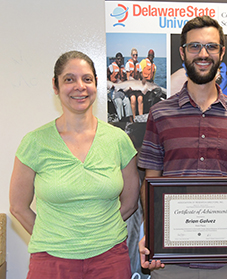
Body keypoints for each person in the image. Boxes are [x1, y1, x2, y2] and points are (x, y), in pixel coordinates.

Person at [137, 16, 227, 279]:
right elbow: (151, 183)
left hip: (226, 261)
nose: (203, 54)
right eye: (194, 47)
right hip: (170, 261)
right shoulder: (159, 114)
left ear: (222, 52)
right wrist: (153, 238)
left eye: (211, 47)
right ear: (182, 52)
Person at [9, 50, 141, 279]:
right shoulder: (35, 142)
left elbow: (130, 203)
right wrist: (54, 237)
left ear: (96, 84)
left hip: (110, 260)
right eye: (69, 79)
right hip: (51, 262)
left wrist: (98, 233)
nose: (80, 86)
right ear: (55, 85)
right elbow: (18, 207)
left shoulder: (118, 140)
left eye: (87, 79)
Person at [107, 52, 133, 121]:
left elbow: (125, 79)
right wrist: (110, 84)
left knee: (127, 101)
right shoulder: (111, 67)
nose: (119, 60)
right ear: (115, 59)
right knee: (119, 101)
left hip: (121, 89)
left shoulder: (123, 68)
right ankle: (120, 119)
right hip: (113, 90)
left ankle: (129, 119)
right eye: (118, 59)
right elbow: (106, 77)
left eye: (120, 59)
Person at [125, 48, 143, 119]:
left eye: (136, 55)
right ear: (131, 55)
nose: (135, 56)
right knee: (133, 99)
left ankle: (141, 117)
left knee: (140, 98)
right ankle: (134, 117)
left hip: (137, 86)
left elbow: (139, 77)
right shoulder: (128, 64)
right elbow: (127, 78)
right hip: (131, 86)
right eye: (134, 55)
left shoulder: (139, 65)